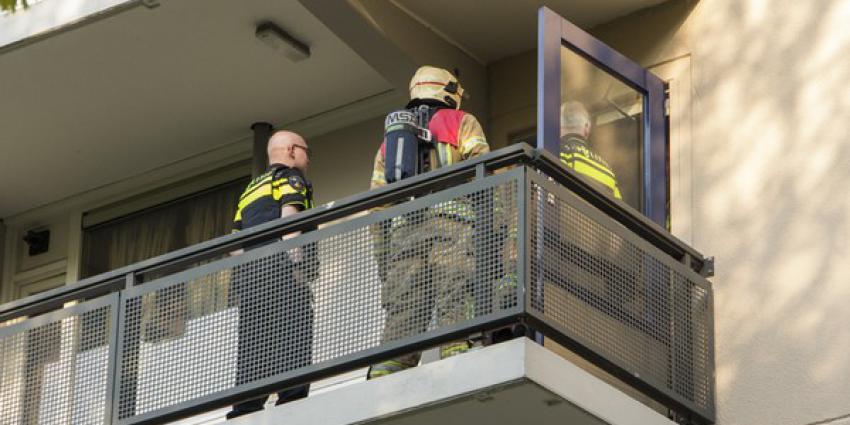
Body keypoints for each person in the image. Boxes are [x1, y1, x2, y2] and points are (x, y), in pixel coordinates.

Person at [367, 65, 490, 379]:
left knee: (404, 309)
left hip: (403, 235)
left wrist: (384, 260)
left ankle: (385, 379)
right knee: (455, 294)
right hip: (452, 224)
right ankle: (458, 361)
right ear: (448, 91)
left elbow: (376, 206)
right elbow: (484, 170)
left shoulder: (389, 141)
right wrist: (495, 226)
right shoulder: (461, 121)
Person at [227, 130, 317, 420]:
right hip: (282, 273)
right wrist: (298, 267)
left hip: (252, 279)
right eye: (306, 151)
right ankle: (292, 403)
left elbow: (234, 246)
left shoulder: (250, 189)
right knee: (293, 334)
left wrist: (245, 279)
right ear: (291, 150)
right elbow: (290, 219)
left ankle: (246, 410)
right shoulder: (291, 178)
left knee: (254, 344)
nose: (307, 159)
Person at [559, 101, 622, 199]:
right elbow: (619, 209)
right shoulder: (608, 170)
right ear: (587, 127)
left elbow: (544, 192)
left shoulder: (558, 150)